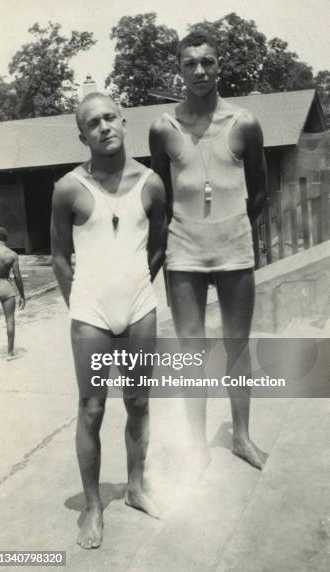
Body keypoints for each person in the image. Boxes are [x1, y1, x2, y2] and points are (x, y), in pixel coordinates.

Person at [51, 93, 167, 549]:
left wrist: (137, 286)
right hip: (91, 315)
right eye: (92, 123)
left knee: (139, 403)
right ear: (83, 135)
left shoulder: (152, 183)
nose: (103, 127)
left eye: (109, 118)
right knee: (92, 409)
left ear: (124, 121)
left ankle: (136, 488)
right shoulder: (68, 188)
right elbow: (60, 257)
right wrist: (81, 307)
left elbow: (157, 247)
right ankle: (94, 505)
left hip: (139, 307)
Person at [149, 31, 268, 474]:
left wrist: (231, 231)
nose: (200, 71)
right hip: (183, 252)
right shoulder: (163, 127)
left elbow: (259, 192)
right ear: (178, 69)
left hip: (234, 248)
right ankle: (197, 444)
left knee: (237, 347)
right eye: (190, 64)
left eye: (208, 62)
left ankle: (241, 437)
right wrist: (183, 239)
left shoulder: (245, 122)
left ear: (220, 65)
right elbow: (159, 198)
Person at [0, 227, 25, 359]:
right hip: (6, 287)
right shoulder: (12, 254)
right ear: (6, 239)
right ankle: (10, 354)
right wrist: (22, 296)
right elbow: (17, 277)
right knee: (10, 320)